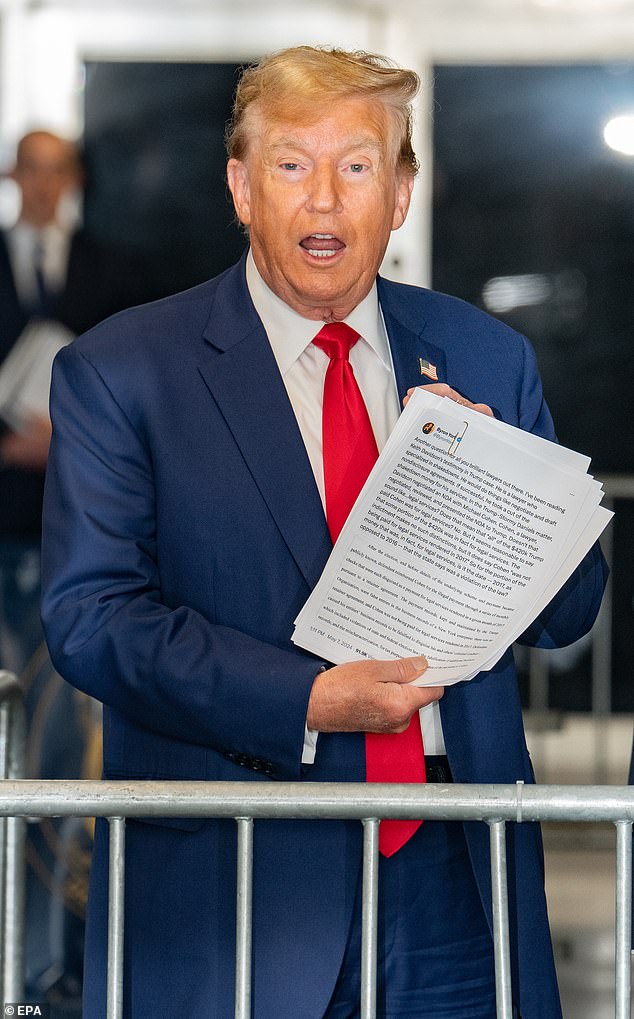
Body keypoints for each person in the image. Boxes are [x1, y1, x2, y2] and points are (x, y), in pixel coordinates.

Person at [40, 47, 608, 1019]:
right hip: (238, 871)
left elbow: (571, 610)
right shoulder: (123, 372)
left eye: (356, 166)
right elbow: (93, 619)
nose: (323, 200)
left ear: (401, 193)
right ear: (240, 188)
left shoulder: (484, 356)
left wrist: (499, 486)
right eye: (290, 164)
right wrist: (303, 698)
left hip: (458, 870)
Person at [0, 130, 139, 675]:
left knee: (63, 687)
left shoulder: (116, 270)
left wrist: (68, 439)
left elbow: (133, 382)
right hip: (4, 500)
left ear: (74, 179)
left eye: (56, 168)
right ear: (13, 175)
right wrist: (10, 448)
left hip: (82, 504)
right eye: (31, 168)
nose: (43, 183)